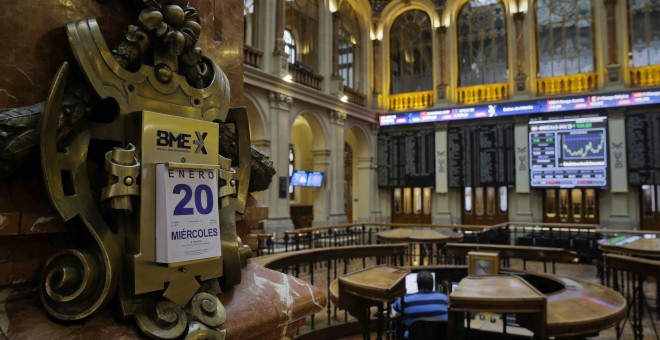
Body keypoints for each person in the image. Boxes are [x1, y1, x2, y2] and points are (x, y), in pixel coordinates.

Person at [392, 271, 449, 339]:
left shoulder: (406, 299)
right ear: (432, 284)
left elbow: (395, 307)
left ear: (418, 284)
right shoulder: (443, 298)